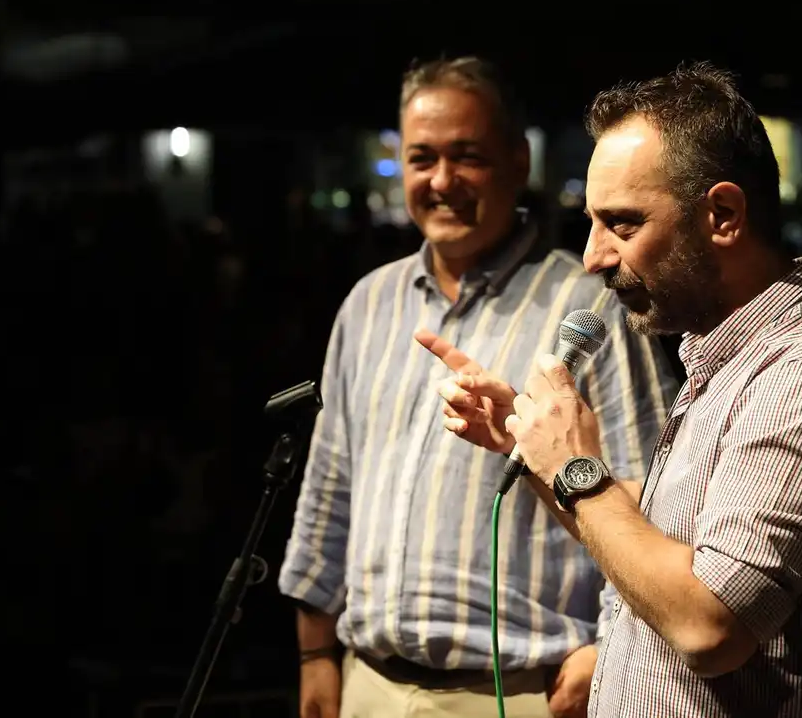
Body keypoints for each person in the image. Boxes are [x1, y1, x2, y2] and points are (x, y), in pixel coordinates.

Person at [423, 62, 802, 717]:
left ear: (723, 215)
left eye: (623, 224)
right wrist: (539, 453)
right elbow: (666, 534)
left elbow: (710, 623)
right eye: (593, 222)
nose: (593, 256)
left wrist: (575, 468)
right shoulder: (733, 355)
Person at [278, 56, 678, 718]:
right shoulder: (368, 303)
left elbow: (661, 499)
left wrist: (612, 646)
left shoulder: (591, 308)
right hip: (368, 681)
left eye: (467, 156)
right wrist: (315, 653)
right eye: (422, 158)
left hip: (524, 690)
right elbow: (329, 488)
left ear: (518, 162)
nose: (442, 181)